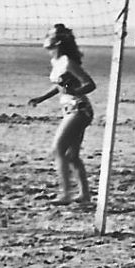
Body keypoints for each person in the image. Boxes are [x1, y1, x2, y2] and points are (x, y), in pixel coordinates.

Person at [27, 23, 97, 207]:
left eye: (49, 34)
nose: (45, 37)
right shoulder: (56, 62)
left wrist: (74, 90)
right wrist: (41, 98)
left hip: (78, 109)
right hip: (70, 109)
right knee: (72, 155)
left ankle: (65, 193)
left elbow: (89, 84)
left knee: (58, 149)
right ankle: (84, 195)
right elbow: (59, 86)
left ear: (57, 41)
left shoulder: (67, 61)